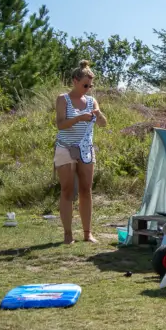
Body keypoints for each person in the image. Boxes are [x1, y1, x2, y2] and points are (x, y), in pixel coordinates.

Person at [54, 60, 107, 244]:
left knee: (86, 189)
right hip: (65, 148)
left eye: (90, 85)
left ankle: (87, 233)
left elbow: (103, 124)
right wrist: (78, 118)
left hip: (86, 149)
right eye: (85, 85)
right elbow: (60, 124)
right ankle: (68, 234)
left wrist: (99, 114)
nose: (88, 88)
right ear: (75, 81)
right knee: (67, 190)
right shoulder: (63, 99)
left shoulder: (92, 101)